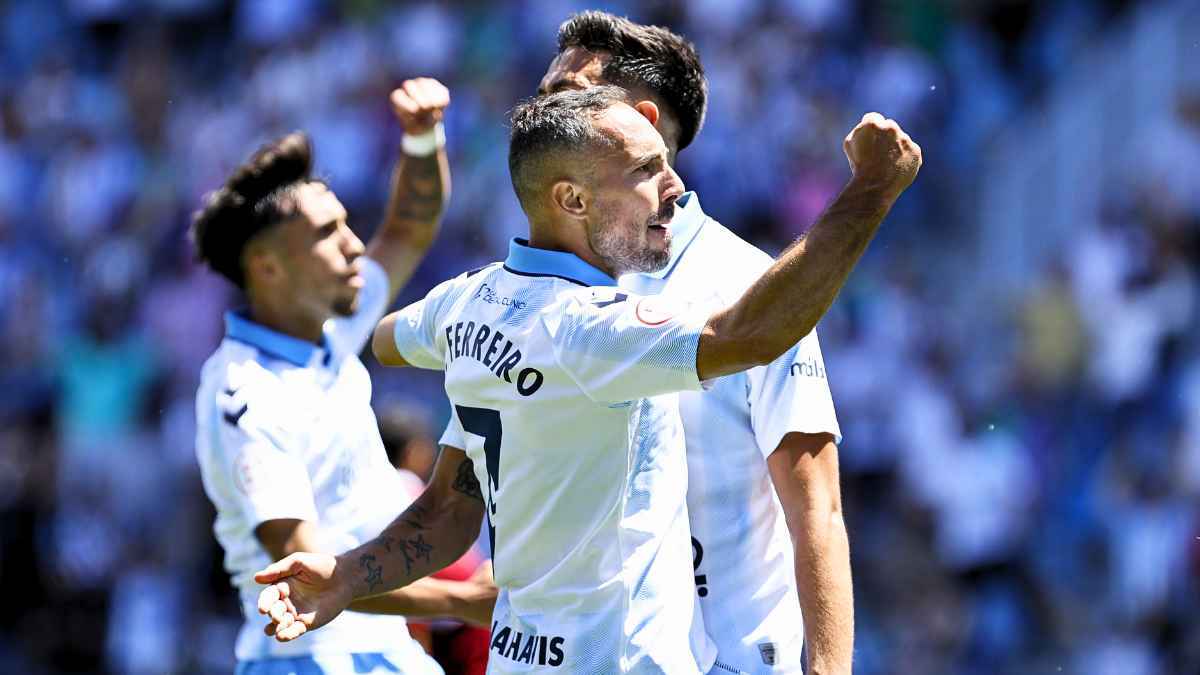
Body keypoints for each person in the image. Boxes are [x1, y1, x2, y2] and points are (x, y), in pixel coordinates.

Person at [254, 87, 920, 674]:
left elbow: (393, 354)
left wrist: (346, 576)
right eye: (645, 170)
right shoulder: (593, 328)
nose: (675, 189)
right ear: (570, 198)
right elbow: (752, 333)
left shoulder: (464, 305)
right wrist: (870, 192)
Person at [527, 13, 853, 673]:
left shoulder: (749, 286)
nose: (536, 116)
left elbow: (816, 507)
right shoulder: (544, 287)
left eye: (562, 97)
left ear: (640, 121)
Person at [192, 78, 495, 675]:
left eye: (347, 224)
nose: (357, 246)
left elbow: (409, 224)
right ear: (268, 266)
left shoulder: (328, 336)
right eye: (327, 235)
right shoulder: (247, 393)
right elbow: (304, 569)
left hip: (380, 651)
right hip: (307, 658)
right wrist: (462, 601)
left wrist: (420, 138)